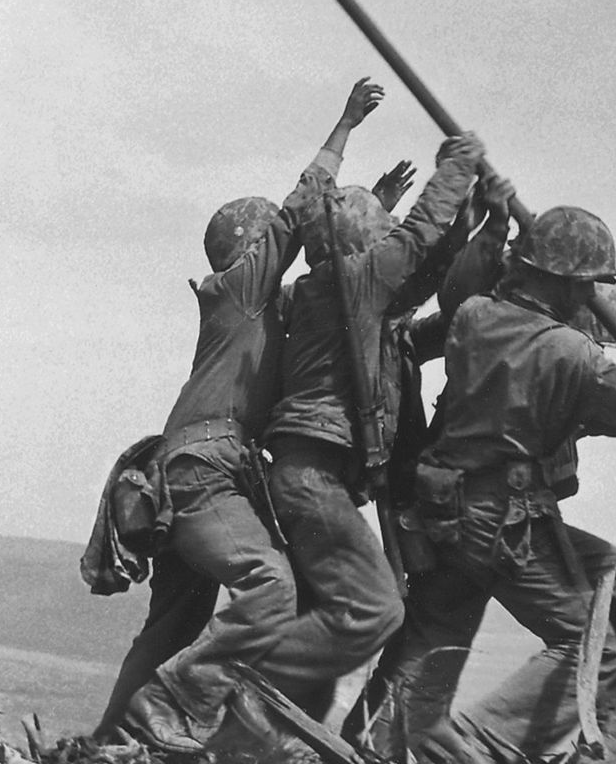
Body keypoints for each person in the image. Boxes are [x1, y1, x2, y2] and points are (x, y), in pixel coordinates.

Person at [100, 78, 385, 749]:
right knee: (270, 586)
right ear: (252, 248)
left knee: (172, 625)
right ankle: (174, 707)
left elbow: (334, 268)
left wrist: (376, 213)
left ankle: (105, 745)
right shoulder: (239, 291)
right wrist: (344, 126)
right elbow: (300, 211)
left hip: (187, 469)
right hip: (206, 469)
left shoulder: (252, 310)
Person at [380, 206, 616, 764]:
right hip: (504, 519)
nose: (589, 296)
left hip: (447, 512)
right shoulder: (571, 353)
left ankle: (381, 740)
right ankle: (482, 745)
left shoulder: (476, 317)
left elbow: (585, 408)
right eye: (585, 286)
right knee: (594, 647)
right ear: (562, 281)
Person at [254, 130, 493, 717]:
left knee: (329, 621)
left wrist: (482, 225)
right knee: (377, 610)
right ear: (362, 245)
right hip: (314, 477)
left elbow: (432, 288)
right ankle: (221, 684)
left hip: (316, 476)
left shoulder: (342, 300)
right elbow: (416, 242)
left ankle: (273, 730)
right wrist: (457, 167)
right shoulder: (351, 282)